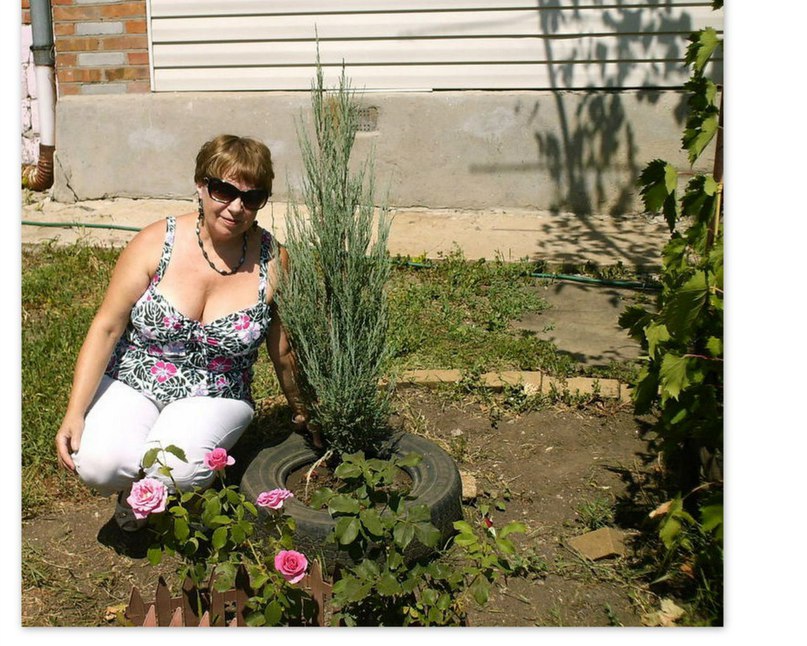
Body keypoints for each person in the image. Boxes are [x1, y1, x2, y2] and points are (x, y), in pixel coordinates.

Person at [54, 134, 317, 531]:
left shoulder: (273, 260)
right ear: (200, 185)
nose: (236, 207)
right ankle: (135, 483)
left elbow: (282, 350)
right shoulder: (155, 242)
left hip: (218, 390)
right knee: (97, 465)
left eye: (252, 198)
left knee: (174, 470)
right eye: (224, 191)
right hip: (135, 377)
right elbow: (107, 326)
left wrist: (302, 409)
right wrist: (75, 412)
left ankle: (159, 493)